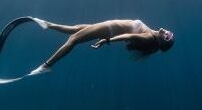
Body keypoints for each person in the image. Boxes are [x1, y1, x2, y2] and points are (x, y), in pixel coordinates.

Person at [28, 18, 174, 75]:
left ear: (161, 41)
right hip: (107, 27)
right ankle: (48, 25)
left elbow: (128, 37)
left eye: (167, 36)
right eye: (169, 33)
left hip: (108, 30)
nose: (167, 32)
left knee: (73, 39)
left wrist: (107, 40)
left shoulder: (149, 37)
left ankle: (47, 65)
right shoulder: (153, 34)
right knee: (75, 29)